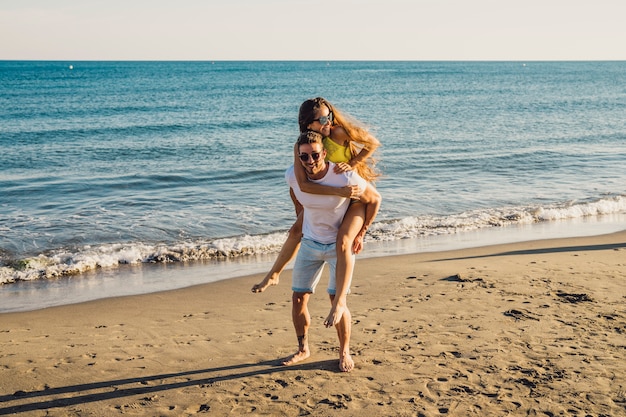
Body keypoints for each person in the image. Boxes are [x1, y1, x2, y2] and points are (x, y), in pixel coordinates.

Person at [252, 97, 380, 329]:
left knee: (343, 240)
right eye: (322, 119)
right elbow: (300, 185)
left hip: (353, 194)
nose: (327, 121)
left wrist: (353, 162)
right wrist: (302, 211)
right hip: (335, 195)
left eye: (328, 115)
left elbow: (372, 143)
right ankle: (273, 274)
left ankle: (339, 300)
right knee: (296, 230)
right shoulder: (307, 145)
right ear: (307, 124)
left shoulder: (337, 132)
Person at [282, 130, 381, 372]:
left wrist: (361, 232)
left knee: (337, 300)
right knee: (298, 298)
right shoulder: (292, 176)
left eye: (315, 155)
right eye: (304, 157)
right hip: (311, 244)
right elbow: (297, 197)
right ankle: (303, 348)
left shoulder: (344, 176)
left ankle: (344, 351)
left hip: (339, 246)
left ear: (324, 153)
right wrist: (300, 222)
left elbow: (374, 199)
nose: (310, 161)